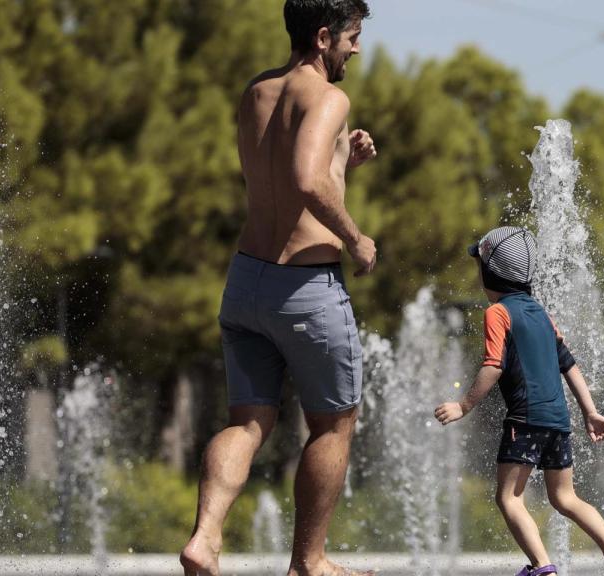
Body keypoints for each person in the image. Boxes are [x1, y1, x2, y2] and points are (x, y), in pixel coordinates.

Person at [180, 1, 376, 575]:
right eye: (352, 38)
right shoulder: (330, 98)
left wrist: (344, 158)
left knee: (247, 421)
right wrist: (357, 237)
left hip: (246, 280)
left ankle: (205, 537)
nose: (356, 50)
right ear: (323, 37)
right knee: (334, 424)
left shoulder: (256, 90)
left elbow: (276, 179)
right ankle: (309, 564)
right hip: (306, 286)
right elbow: (307, 180)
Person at [434, 227, 604, 576]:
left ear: (489, 272)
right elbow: (570, 365)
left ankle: (543, 567)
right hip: (559, 422)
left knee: (509, 498)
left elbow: (492, 365)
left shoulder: (498, 313)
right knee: (565, 498)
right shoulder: (543, 316)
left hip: (525, 420)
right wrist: (589, 412)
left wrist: (464, 405)